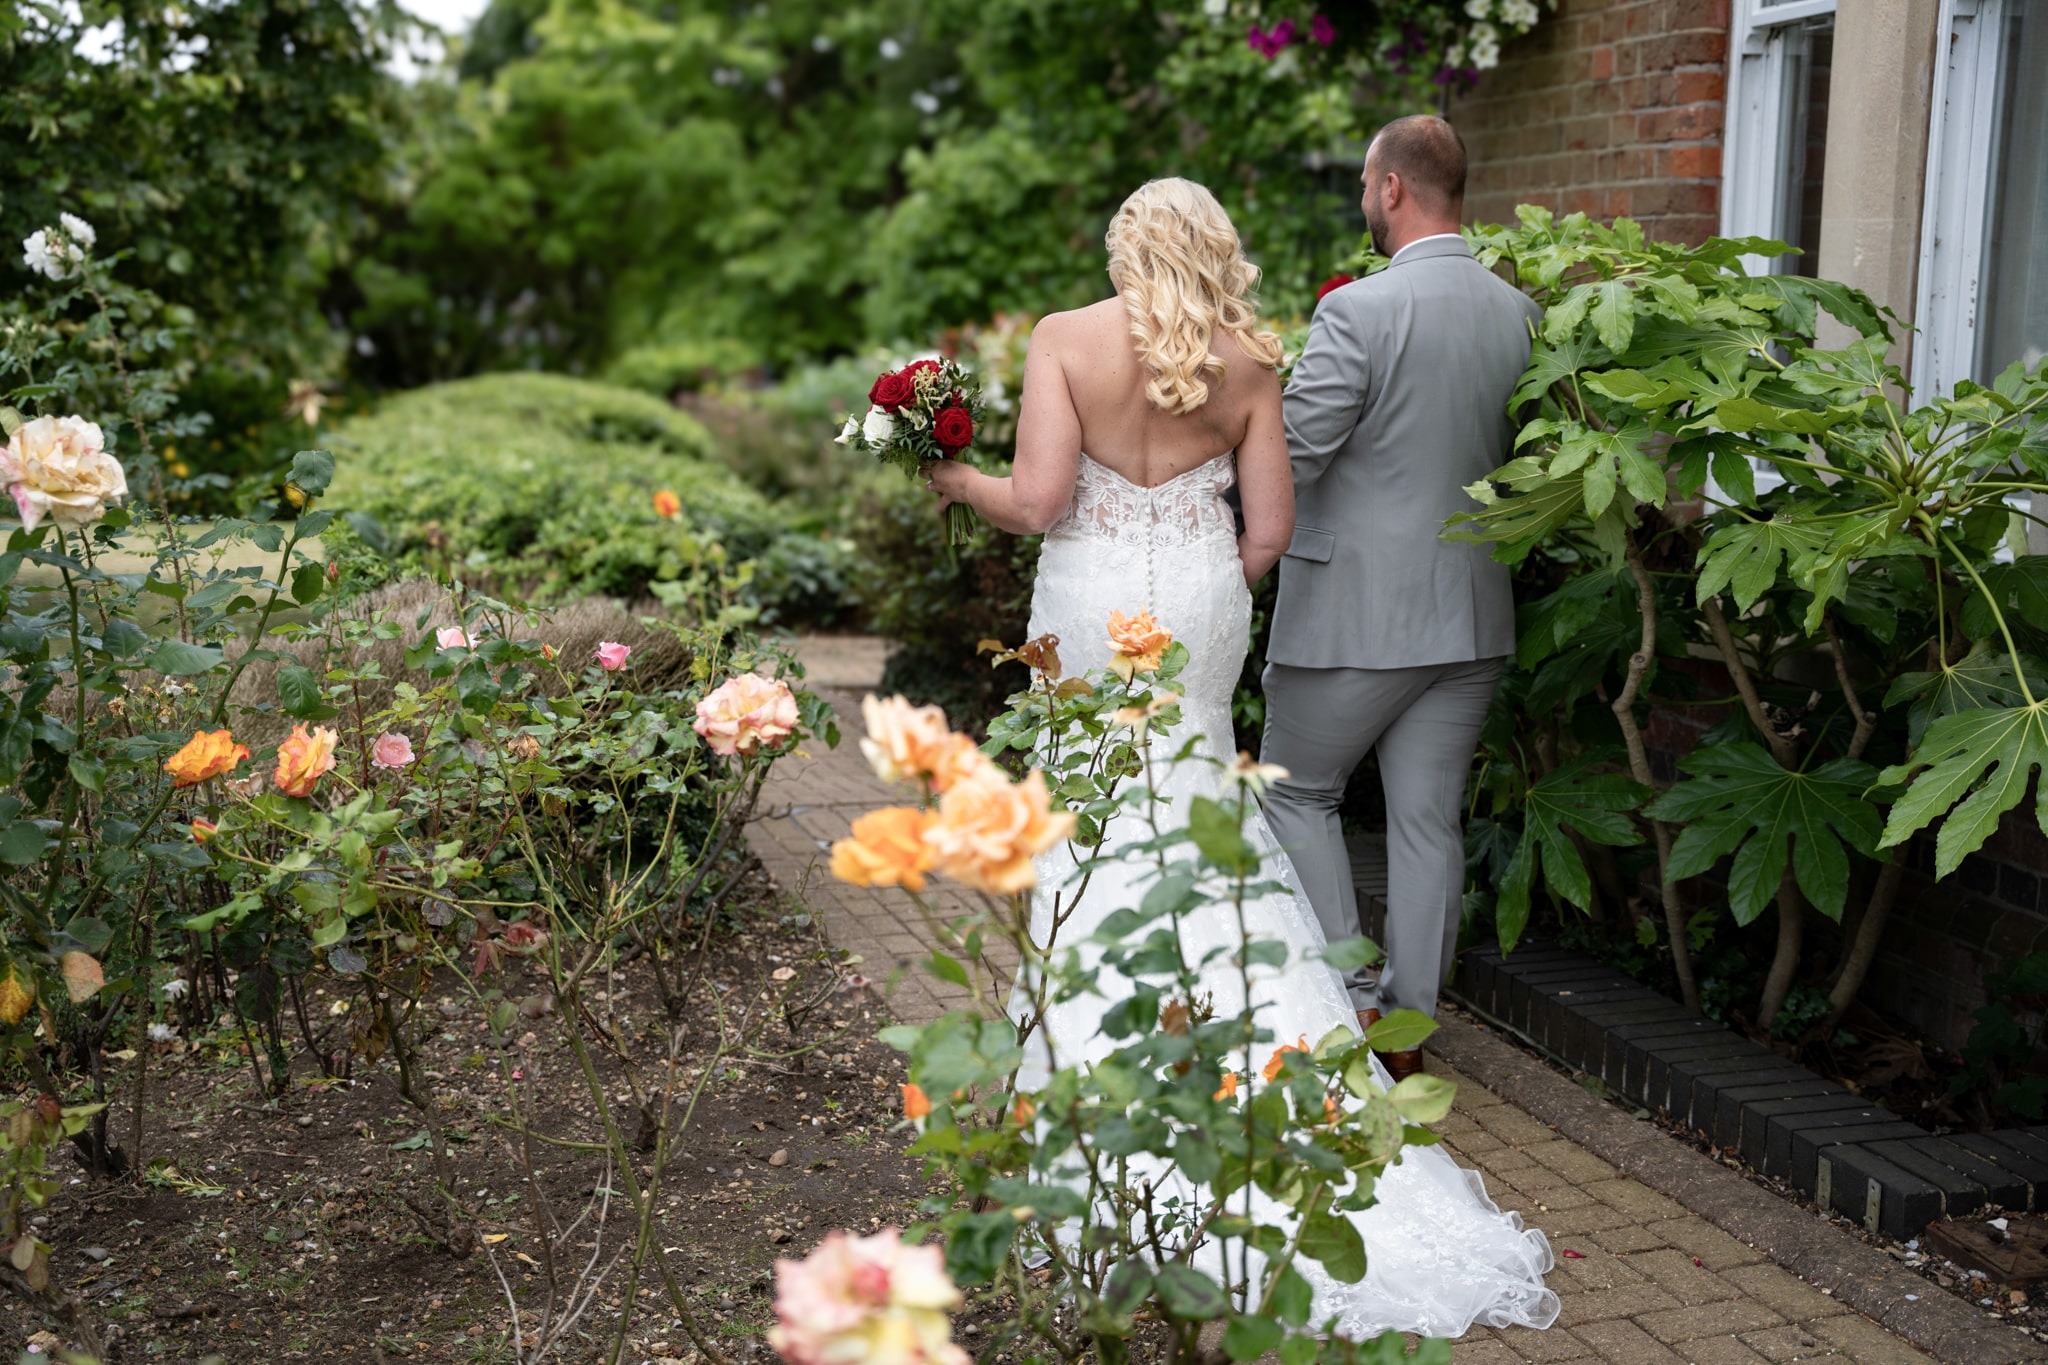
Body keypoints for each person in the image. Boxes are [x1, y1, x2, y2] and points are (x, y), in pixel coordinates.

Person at [926, 173, 1557, 1340]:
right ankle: (1272, 1092)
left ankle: (1078, 1100)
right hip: (1200, 608)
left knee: (1092, 819)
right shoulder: (1254, 362)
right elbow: (1267, 531)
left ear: (1126, 248)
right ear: (1215, 250)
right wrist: (1204, 577)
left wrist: (953, 480)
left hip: (1085, 603)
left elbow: (1038, 500)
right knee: (1203, 815)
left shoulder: (1064, 339)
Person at [1260, 116, 1543, 1082]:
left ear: (1392, 188)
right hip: (1471, 614)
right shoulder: (1520, 313)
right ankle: (1409, 1030)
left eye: (1364, 185)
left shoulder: (1357, 311)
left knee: (1295, 790)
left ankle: (1349, 1000)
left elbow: (1293, 457)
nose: (1363, 200)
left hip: (1355, 616)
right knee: (1428, 823)